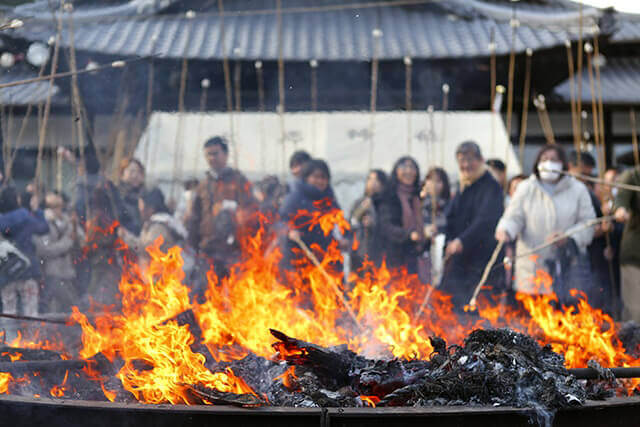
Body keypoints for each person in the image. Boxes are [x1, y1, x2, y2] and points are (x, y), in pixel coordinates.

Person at [495, 145, 596, 301]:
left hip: (568, 269)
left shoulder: (578, 189)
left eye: (554, 160)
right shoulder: (525, 188)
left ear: (563, 164)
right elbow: (514, 217)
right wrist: (506, 229)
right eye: (544, 159)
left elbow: (588, 223)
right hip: (532, 270)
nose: (548, 163)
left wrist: (569, 237)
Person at [439, 141, 504, 308]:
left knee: (477, 312)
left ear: (481, 159)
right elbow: (450, 216)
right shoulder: (463, 185)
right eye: (461, 160)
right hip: (460, 261)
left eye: (470, 160)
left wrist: (462, 241)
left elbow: (485, 220)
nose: (466, 165)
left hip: (482, 261)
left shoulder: (491, 186)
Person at [187, 136, 257, 284]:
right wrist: (193, 245)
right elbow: (194, 217)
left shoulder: (240, 181)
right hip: (208, 250)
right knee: (205, 296)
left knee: (239, 296)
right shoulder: (202, 186)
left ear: (225, 154)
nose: (212, 158)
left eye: (215, 153)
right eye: (208, 154)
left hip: (234, 251)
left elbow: (252, 211)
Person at [279, 159, 348, 280]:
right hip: (301, 260)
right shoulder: (295, 198)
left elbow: (341, 223)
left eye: (324, 178)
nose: (320, 181)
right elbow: (280, 222)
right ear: (306, 178)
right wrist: (289, 231)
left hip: (327, 260)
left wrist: (345, 238)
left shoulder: (329, 200)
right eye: (316, 177)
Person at [0, 190, 49, 318]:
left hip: (6, 273)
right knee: (31, 312)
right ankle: (32, 337)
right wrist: (38, 211)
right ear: (17, 200)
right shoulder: (25, 216)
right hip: (27, 270)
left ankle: (8, 338)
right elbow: (43, 228)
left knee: (8, 313)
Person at [119, 188, 191, 272]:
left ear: (150, 208)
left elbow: (148, 249)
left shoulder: (158, 227)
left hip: (162, 279)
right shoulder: (154, 223)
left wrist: (126, 237)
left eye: (141, 205)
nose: (140, 209)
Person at [34, 191, 83, 313]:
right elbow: (44, 249)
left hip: (69, 272)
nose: (58, 210)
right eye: (53, 207)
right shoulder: (41, 224)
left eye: (60, 206)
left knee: (72, 309)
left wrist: (75, 230)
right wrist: (67, 243)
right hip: (51, 273)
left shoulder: (68, 221)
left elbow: (81, 239)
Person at [376, 157, 425, 275]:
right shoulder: (388, 196)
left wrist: (425, 236)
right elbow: (386, 227)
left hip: (412, 257)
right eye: (404, 167)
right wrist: (409, 235)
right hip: (392, 259)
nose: (408, 171)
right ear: (396, 171)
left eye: (412, 167)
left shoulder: (416, 199)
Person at [614, 165, 640, 322]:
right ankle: (633, 345)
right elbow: (621, 198)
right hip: (635, 255)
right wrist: (620, 209)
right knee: (635, 310)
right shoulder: (632, 176)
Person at [349, 169, 387, 271]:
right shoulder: (360, 202)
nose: (373, 183)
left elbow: (387, 226)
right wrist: (361, 210)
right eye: (370, 179)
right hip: (359, 252)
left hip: (379, 253)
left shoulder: (386, 205)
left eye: (376, 180)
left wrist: (373, 223)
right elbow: (351, 222)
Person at [419, 167, 451, 284]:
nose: (434, 184)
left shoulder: (449, 204)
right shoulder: (419, 203)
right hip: (422, 253)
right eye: (431, 180)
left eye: (438, 181)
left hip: (442, 251)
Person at [118, 158, 146, 235]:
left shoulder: (146, 197)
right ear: (122, 173)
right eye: (132, 171)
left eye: (139, 172)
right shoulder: (117, 196)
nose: (135, 175)